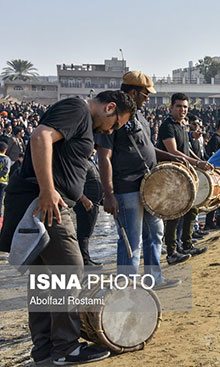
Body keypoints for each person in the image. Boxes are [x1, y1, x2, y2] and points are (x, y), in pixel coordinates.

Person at [0, 91, 136, 365]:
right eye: (115, 123)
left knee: (43, 280)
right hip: (47, 204)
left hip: (40, 202)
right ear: (110, 107)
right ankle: (66, 348)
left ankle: (44, 351)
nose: (111, 130)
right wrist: (48, 190)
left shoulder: (80, 117)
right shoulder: (77, 109)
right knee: (69, 271)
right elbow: (40, 137)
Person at [96, 71, 190, 281]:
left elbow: (147, 148)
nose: (148, 99)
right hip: (127, 187)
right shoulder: (112, 116)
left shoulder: (138, 116)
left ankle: (154, 278)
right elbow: (104, 156)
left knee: (155, 233)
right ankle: (128, 286)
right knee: (131, 239)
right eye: (145, 94)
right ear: (133, 92)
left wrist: (171, 157)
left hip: (149, 186)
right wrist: (109, 193)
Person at [156, 93, 211, 259]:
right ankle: (172, 251)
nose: (182, 110)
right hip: (172, 174)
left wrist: (199, 161)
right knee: (175, 212)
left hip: (185, 173)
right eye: (179, 106)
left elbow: (186, 149)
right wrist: (197, 163)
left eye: (185, 107)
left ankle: (187, 245)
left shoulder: (182, 125)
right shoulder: (168, 126)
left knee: (191, 208)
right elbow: (173, 151)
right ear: (171, 107)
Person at [73, 152, 104, 267]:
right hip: (86, 203)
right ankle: (84, 261)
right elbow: (76, 183)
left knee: (87, 232)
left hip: (94, 202)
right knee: (84, 232)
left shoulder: (90, 161)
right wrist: (83, 198)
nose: (95, 150)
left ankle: (85, 258)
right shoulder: (80, 162)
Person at [0, 142, 11, 228]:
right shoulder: (7, 159)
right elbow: (6, 170)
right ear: (5, 150)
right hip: (3, 182)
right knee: (1, 199)